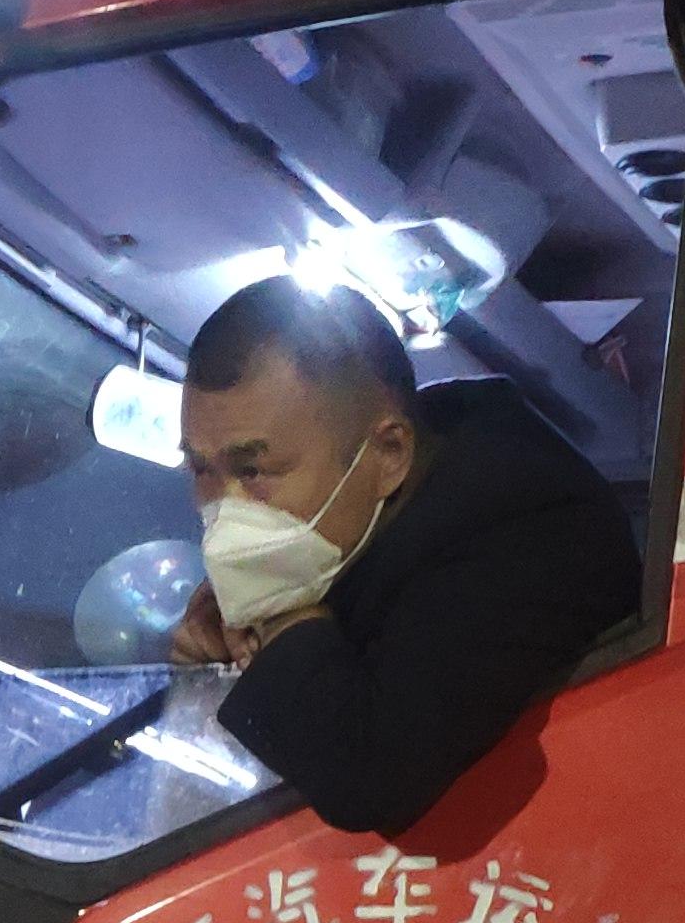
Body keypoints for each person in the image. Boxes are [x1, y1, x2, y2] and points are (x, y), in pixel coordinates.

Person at [165, 276, 640, 834]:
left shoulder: (529, 528)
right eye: (201, 469)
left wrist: (281, 620)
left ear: (389, 454)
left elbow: (373, 775)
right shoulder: (360, 525)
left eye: (252, 471)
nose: (224, 510)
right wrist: (213, 660)